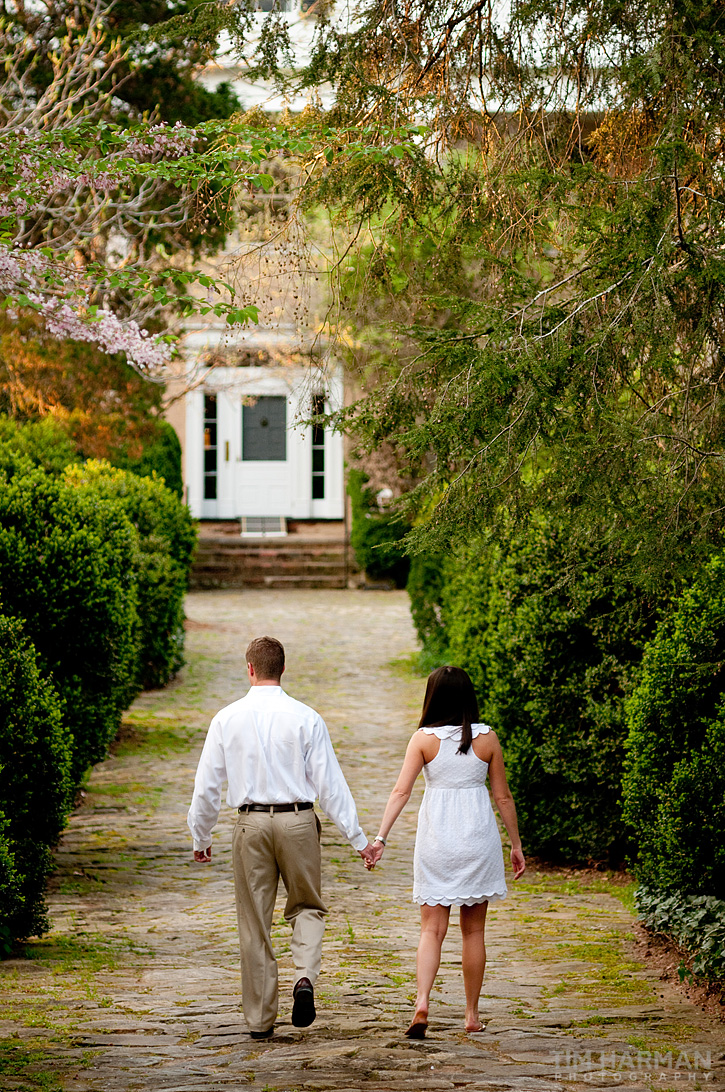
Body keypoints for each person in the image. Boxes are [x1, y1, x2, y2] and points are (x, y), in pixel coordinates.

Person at [187, 635, 374, 1039]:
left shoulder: (226, 719)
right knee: (307, 906)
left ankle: (259, 1020)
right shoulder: (306, 717)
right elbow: (331, 786)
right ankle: (304, 977)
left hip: (250, 824)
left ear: (250, 669)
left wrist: (201, 836)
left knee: (254, 922)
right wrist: (359, 840)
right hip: (299, 821)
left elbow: (206, 788)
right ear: (283, 669)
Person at [366, 665, 525, 1038]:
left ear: (432, 697)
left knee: (432, 930)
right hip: (477, 842)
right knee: (473, 933)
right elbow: (502, 796)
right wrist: (516, 845)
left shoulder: (423, 739)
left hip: (437, 842)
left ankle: (422, 1002)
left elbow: (400, 792)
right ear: (469, 697)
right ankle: (471, 1015)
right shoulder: (487, 740)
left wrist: (380, 839)